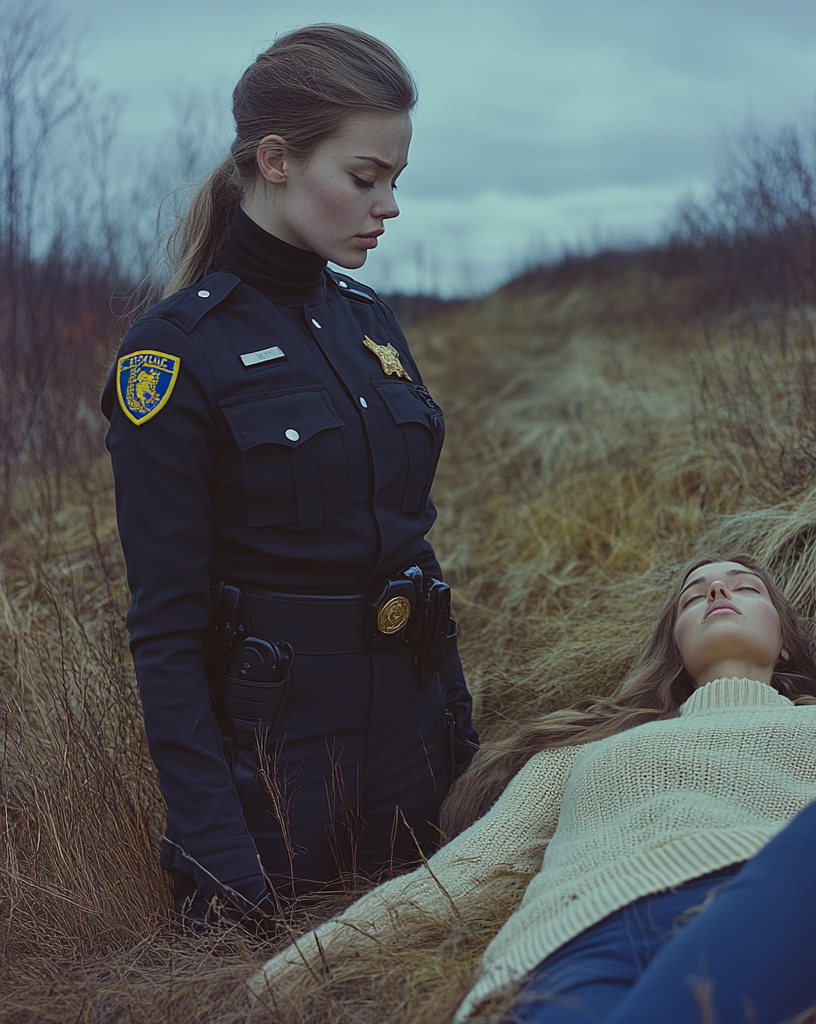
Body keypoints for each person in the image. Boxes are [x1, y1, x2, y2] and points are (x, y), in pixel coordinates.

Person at [254, 554, 816, 1024]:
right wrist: (276, 981)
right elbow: (455, 877)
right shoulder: (582, 755)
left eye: (742, 587)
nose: (717, 594)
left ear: (783, 635)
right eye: (695, 596)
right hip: (574, 950)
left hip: (773, 905)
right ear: (675, 645)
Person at [101, 24, 479, 929]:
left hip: (411, 740)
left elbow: (413, 548)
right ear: (275, 159)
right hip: (281, 768)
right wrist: (214, 849)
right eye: (364, 177)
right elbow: (166, 625)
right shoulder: (175, 350)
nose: (388, 204)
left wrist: (462, 746)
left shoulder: (370, 319)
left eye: (394, 179)